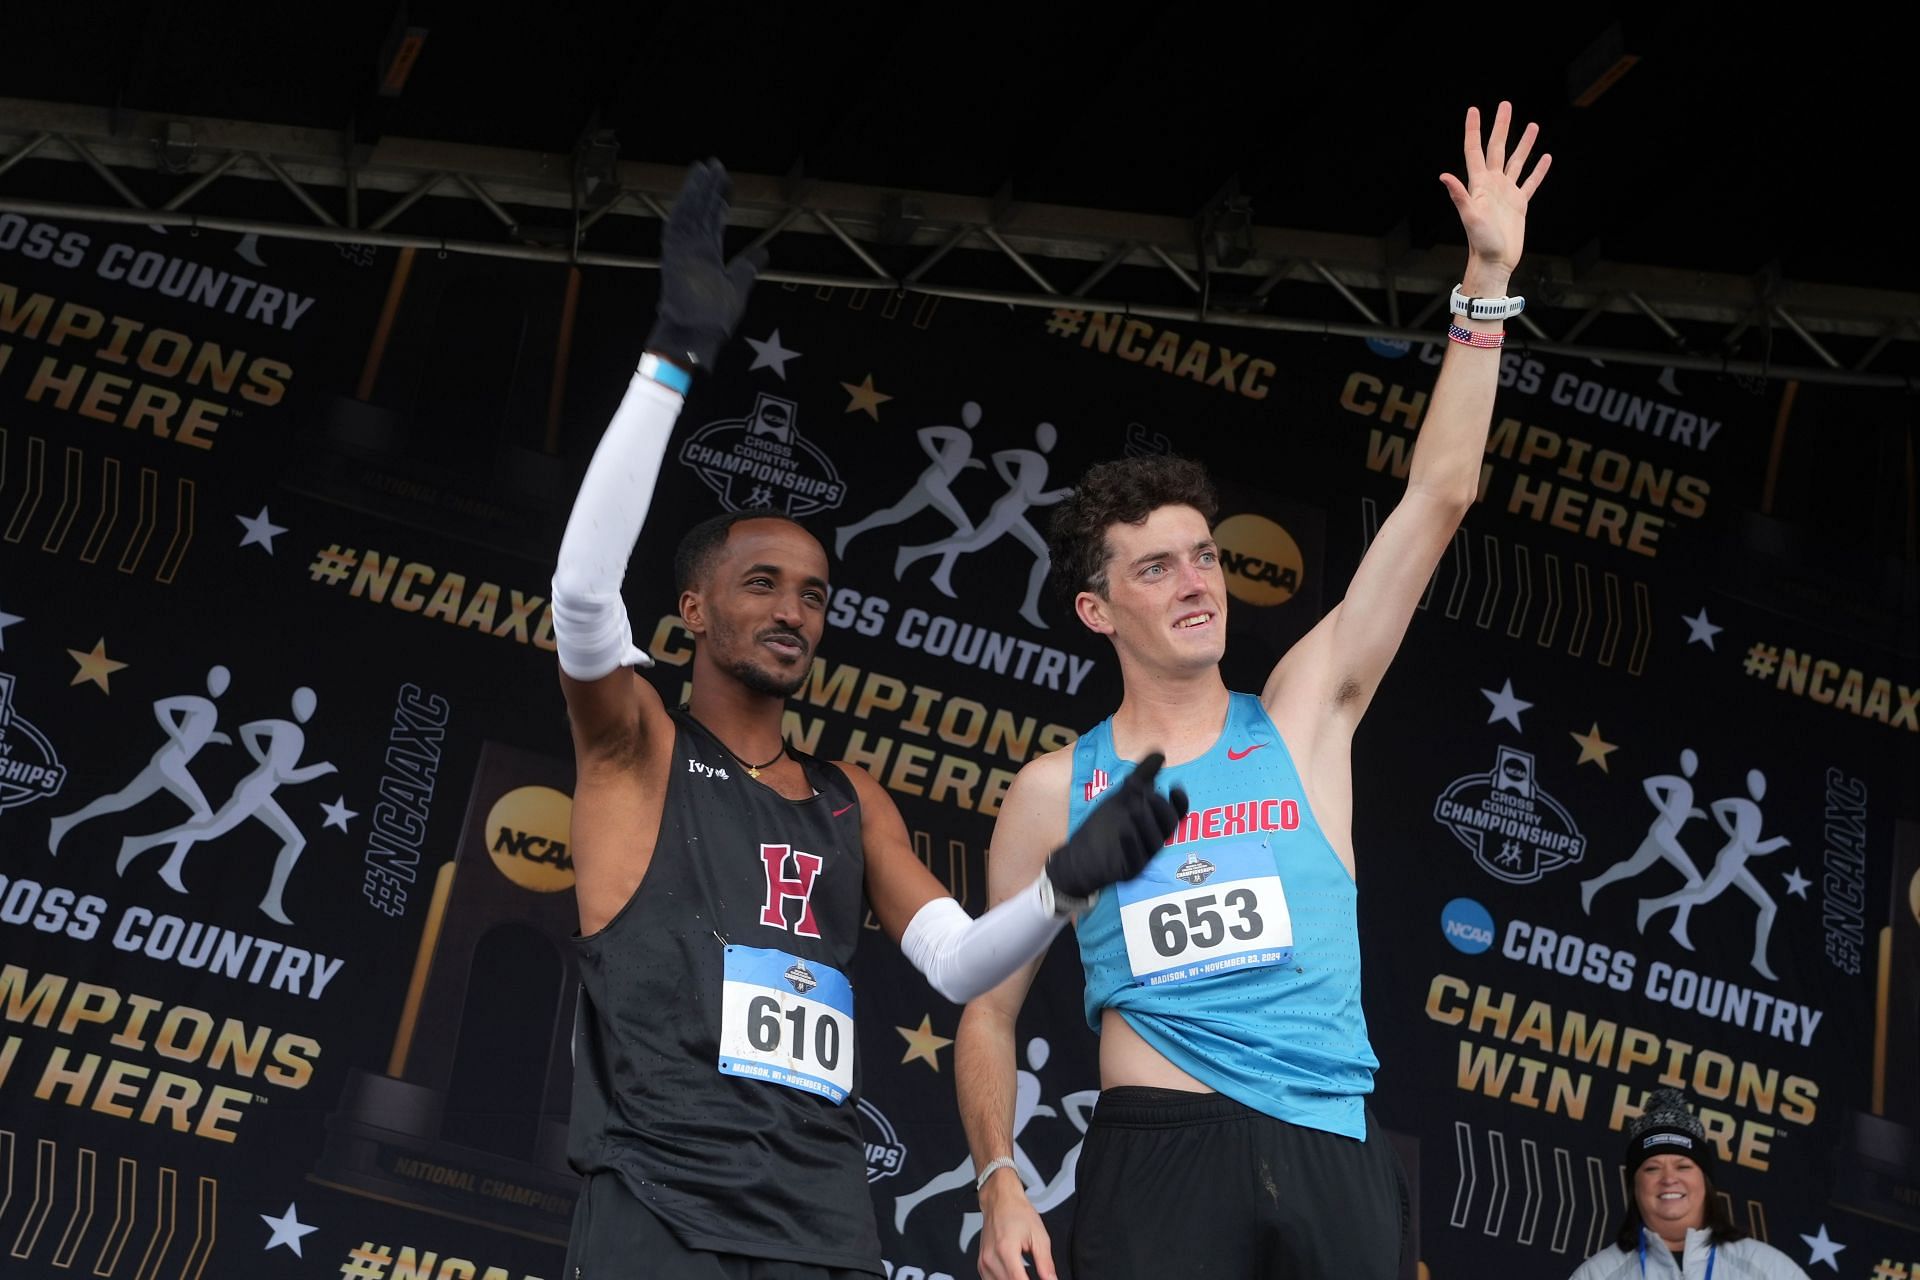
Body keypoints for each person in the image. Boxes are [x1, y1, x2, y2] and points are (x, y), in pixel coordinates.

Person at [550, 160, 1188, 1279]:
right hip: (662, 1199)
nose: (793, 609)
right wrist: (670, 361)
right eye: (761, 583)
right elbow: (582, 601)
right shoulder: (637, 745)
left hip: (823, 1222)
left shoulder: (852, 797)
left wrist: (1064, 885)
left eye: (813, 594)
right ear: (692, 608)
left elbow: (955, 963)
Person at [954, 102, 1550, 1279]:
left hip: (1334, 1140)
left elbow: (1438, 497)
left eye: (1207, 554)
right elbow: (986, 1009)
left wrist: (1485, 284)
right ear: (1097, 607)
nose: (1196, 582)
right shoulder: (1053, 788)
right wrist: (998, 1178)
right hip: (1161, 1149)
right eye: (1157, 566)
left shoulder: (1301, 709)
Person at [1568, 1089, 1809, 1278]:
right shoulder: (1597, 1275)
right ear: (1635, 1185)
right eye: (1652, 1168)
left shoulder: (1769, 1269)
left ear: (1705, 1181)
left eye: (1683, 1166)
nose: (1669, 1179)